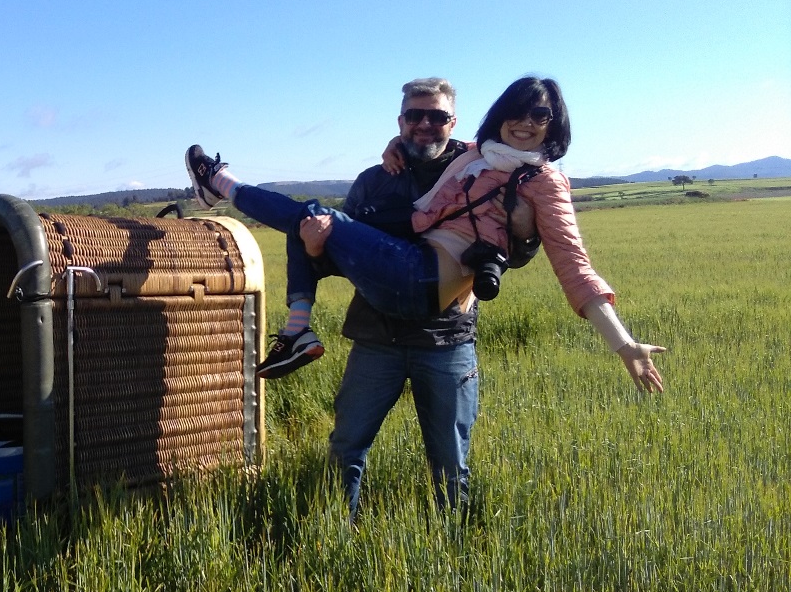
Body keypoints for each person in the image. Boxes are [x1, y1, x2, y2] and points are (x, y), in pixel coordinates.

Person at [186, 76, 665, 510]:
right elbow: (345, 256)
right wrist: (317, 245)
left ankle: (219, 187)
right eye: (516, 112)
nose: (525, 123)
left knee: (449, 464)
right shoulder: (461, 160)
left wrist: (623, 344)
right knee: (346, 445)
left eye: (539, 116)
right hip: (379, 329)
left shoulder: (537, 180)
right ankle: (335, 531)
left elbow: (573, 266)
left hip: (441, 325)